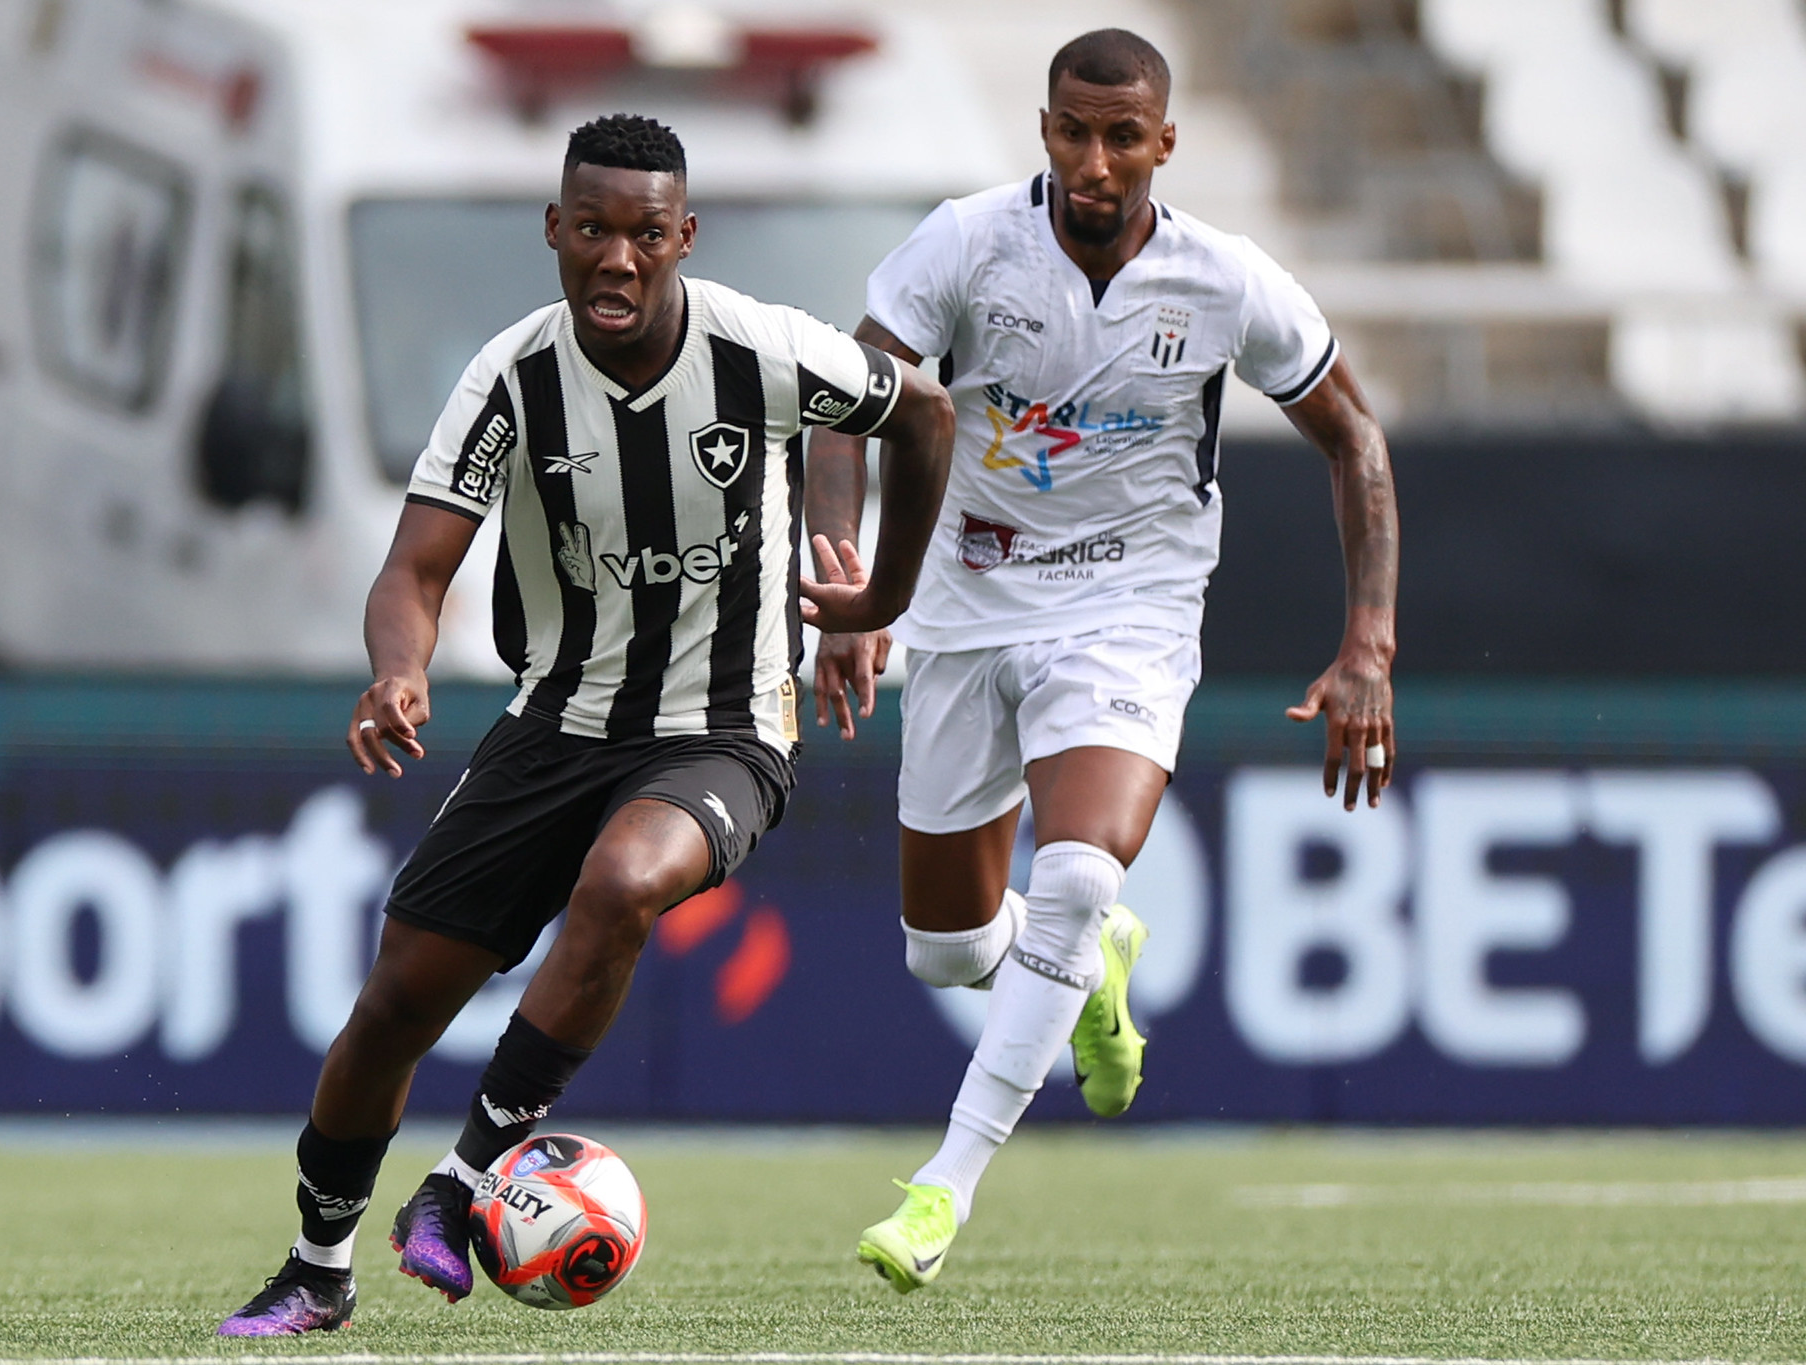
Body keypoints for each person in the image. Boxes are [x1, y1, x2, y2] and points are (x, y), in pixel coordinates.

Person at [217, 113, 953, 1336]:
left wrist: (881, 593)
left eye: (645, 235)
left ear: (682, 240)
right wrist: (396, 672)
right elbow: (412, 571)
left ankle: (456, 1189)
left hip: (724, 725)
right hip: (552, 722)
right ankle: (316, 1267)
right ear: (553, 231)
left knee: (623, 884)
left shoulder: (759, 349)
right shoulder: (508, 378)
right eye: (594, 230)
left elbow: (918, 413)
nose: (617, 258)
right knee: (397, 1003)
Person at [805, 29, 1400, 1292]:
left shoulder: (1222, 278)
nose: (1093, 159)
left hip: (1128, 611)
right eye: (1073, 131)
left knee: (1072, 874)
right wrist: (853, 584)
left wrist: (1366, 646)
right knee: (949, 948)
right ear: (1042, 131)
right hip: (963, 611)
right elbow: (851, 402)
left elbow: (1352, 437)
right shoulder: (965, 244)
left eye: (1121, 135)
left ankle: (939, 1191)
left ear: (1163, 143)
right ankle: (1089, 964)